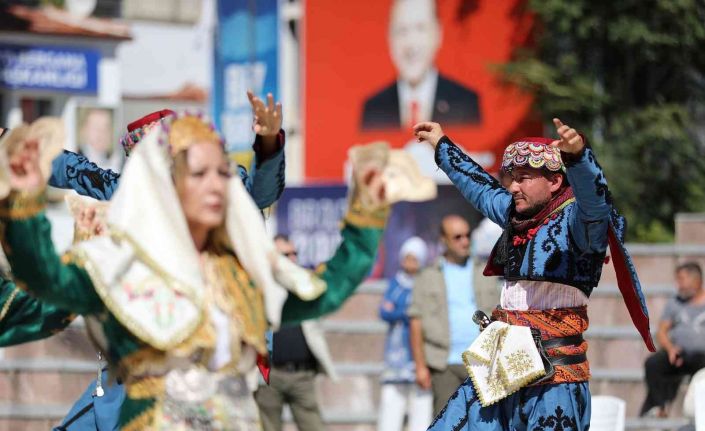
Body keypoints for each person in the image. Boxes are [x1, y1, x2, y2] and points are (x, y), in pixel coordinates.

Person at [1, 111, 390, 430]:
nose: (217, 185)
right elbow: (47, 279)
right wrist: (20, 189)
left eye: (221, 173)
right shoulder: (129, 261)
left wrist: (367, 214)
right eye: (198, 173)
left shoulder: (237, 281)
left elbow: (326, 287)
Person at [411, 119, 654, 430]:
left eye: (524, 178)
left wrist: (578, 157)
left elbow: (596, 204)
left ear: (554, 181)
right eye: (513, 178)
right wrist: (442, 145)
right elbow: (480, 187)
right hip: (502, 363)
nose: (513, 187)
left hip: (554, 376)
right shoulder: (515, 214)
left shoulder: (580, 223)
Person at [49, 92, 285, 209]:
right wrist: (30, 149)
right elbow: (74, 171)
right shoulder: (133, 191)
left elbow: (260, 196)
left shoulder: (216, 180)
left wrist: (268, 140)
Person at [408, 215, 497, 415]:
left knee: (484, 423)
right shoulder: (427, 276)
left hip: (483, 362)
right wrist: (420, 366)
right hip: (443, 363)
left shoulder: (485, 271)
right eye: (457, 237)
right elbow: (416, 322)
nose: (464, 241)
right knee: (447, 421)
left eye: (467, 235)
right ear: (443, 240)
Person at [254, 234, 337, 431]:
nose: (292, 258)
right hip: (269, 374)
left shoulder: (306, 285)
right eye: (285, 255)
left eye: (294, 253)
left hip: (302, 374)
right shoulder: (261, 287)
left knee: (314, 426)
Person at [360, 0, 480, 130]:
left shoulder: (465, 103)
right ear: (389, 36)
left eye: (420, 28)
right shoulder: (373, 109)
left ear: (438, 33)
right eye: (402, 30)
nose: (411, 43)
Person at [377, 236, 433, 431]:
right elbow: (385, 311)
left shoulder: (426, 285)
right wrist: (408, 312)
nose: (410, 263)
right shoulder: (396, 284)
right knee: (391, 407)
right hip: (397, 358)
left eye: (414, 258)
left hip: (421, 356)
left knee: (421, 409)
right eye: (407, 258)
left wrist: (403, 311)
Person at [640, 262, 705, 417]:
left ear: (696, 280)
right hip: (679, 354)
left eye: (681, 279)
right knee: (653, 364)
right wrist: (670, 349)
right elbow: (662, 331)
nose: (678, 285)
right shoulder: (675, 303)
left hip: (702, 357)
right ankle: (659, 406)